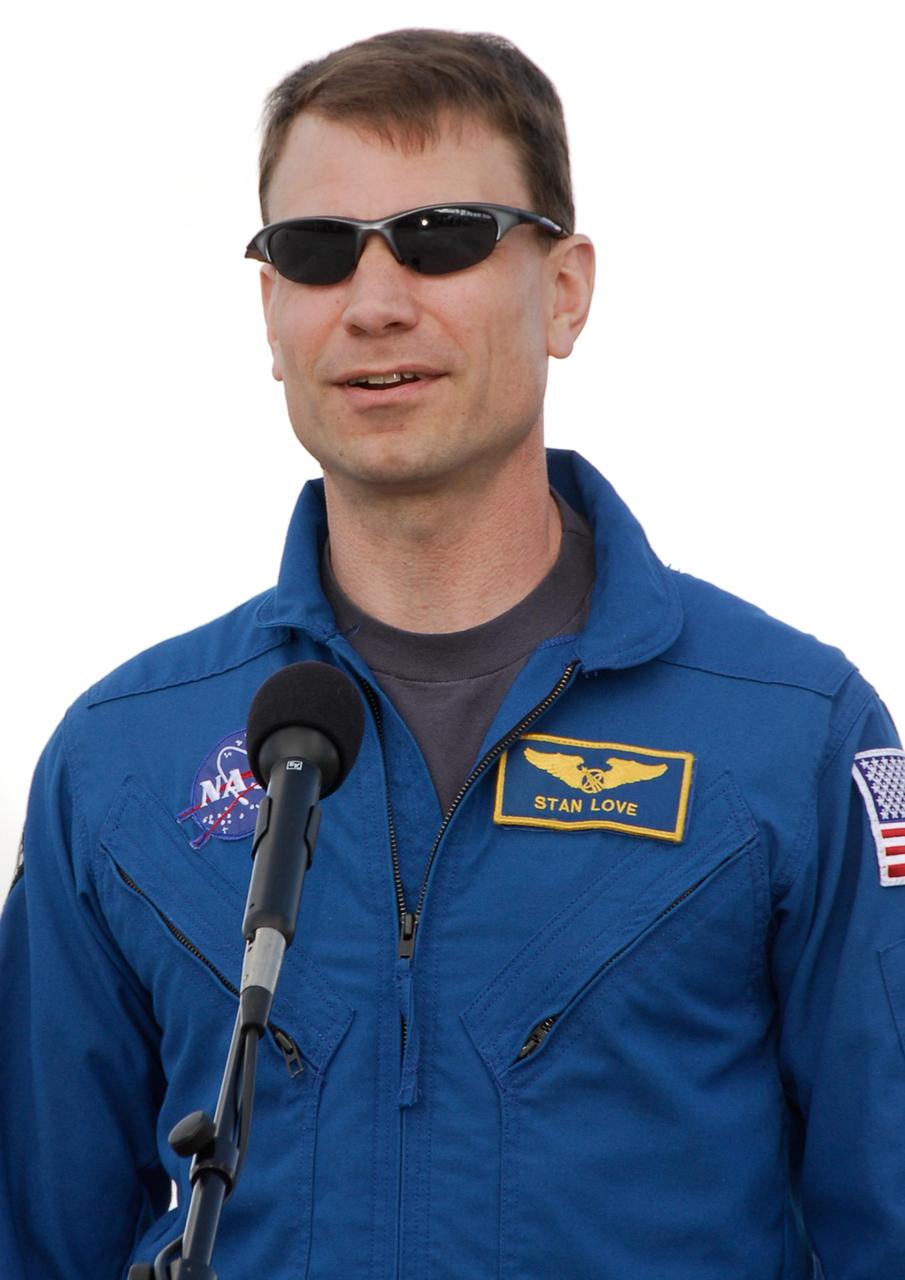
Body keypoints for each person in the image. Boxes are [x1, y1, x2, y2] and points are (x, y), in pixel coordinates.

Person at [1, 26, 903, 1279]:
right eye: (316, 254)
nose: (373, 302)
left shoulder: (796, 731)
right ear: (271, 311)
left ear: (566, 289)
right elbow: (37, 1236)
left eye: (440, 237)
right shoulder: (120, 762)